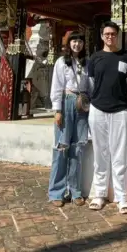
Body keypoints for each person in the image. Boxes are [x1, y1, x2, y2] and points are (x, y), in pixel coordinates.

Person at [86, 21, 127, 214]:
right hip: (98, 110)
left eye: (113, 34)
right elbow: (91, 84)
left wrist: (120, 99)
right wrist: (99, 99)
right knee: (100, 154)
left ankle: (121, 197)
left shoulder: (125, 57)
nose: (110, 37)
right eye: (107, 34)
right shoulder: (95, 58)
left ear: (118, 36)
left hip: (121, 111)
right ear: (102, 36)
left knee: (120, 155)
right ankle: (99, 194)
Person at [47, 31, 90, 207]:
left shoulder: (86, 63)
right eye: (74, 41)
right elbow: (56, 86)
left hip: (82, 104)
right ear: (68, 43)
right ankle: (56, 191)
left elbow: (91, 85)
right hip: (66, 102)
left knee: (78, 148)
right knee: (62, 147)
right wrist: (57, 110)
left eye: (80, 41)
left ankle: (75, 190)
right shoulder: (61, 62)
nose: (77, 44)